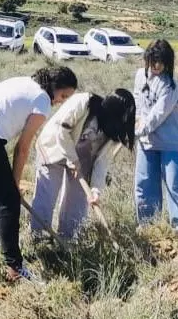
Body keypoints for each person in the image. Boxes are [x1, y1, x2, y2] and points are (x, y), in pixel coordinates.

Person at [0, 66, 77, 282]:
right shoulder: (42, 101)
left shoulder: (25, 82)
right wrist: (15, 184)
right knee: (8, 203)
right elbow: (22, 148)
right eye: (63, 96)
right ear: (55, 88)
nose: (61, 101)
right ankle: (14, 267)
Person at [30, 88, 136, 241]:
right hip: (54, 148)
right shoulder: (84, 103)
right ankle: (39, 238)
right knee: (47, 195)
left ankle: (69, 240)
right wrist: (72, 159)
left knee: (77, 203)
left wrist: (96, 190)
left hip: (83, 161)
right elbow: (62, 130)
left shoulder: (113, 132)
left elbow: (102, 162)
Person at [133, 39, 178, 246]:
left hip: (171, 144)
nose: (156, 67)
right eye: (153, 61)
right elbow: (138, 103)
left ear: (167, 63)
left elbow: (157, 114)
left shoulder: (170, 85)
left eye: (160, 63)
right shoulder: (140, 76)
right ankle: (148, 227)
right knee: (144, 186)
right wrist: (136, 123)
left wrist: (138, 130)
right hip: (147, 144)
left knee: (175, 185)